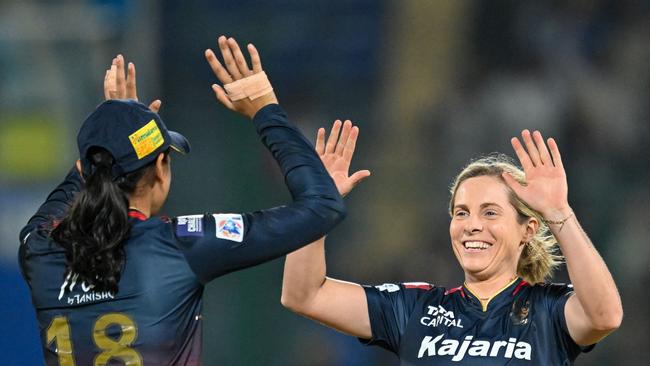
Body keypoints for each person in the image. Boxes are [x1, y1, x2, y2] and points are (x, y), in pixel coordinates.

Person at [19, 35, 345, 365]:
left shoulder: (41, 250)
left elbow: (63, 199)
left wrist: (111, 131)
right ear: (160, 168)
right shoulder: (180, 244)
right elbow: (322, 206)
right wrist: (265, 109)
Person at [281, 123, 623, 365]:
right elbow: (303, 294)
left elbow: (605, 315)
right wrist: (316, 206)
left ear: (528, 229)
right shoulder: (415, 308)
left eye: (490, 213)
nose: (472, 225)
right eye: (461, 213)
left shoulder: (548, 312)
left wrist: (559, 211)